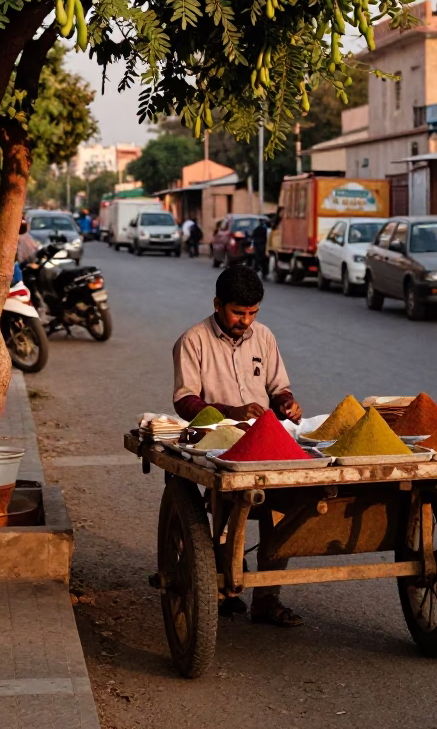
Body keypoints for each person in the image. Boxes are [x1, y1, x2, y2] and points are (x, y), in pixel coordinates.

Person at [172, 266, 304, 627]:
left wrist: (286, 403)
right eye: (237, 312)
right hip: (219, 441)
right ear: (218, 304)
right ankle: (222, 582)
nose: (245, 320)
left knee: (279, 512)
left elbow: (278, 387)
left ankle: (267, 599)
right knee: (229, 510)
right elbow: (185, 400)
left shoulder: (263, 337)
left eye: (252, 313)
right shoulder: (193, 340)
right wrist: (231, 413)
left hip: (265, 440)